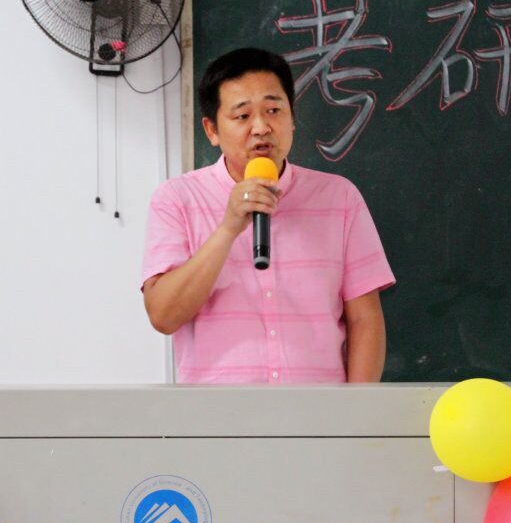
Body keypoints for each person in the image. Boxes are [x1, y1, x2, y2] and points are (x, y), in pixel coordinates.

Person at [141, 47, 395, 384]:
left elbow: (365, 319)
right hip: (216, 414)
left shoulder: (339, 198)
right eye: (242, 116)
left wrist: (355, 409)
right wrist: (228, 229)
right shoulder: (177, 199)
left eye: (273, 110)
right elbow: (163, 316)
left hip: (318, 411)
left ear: (292, 118)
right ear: (211, 130)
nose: (261, 128)